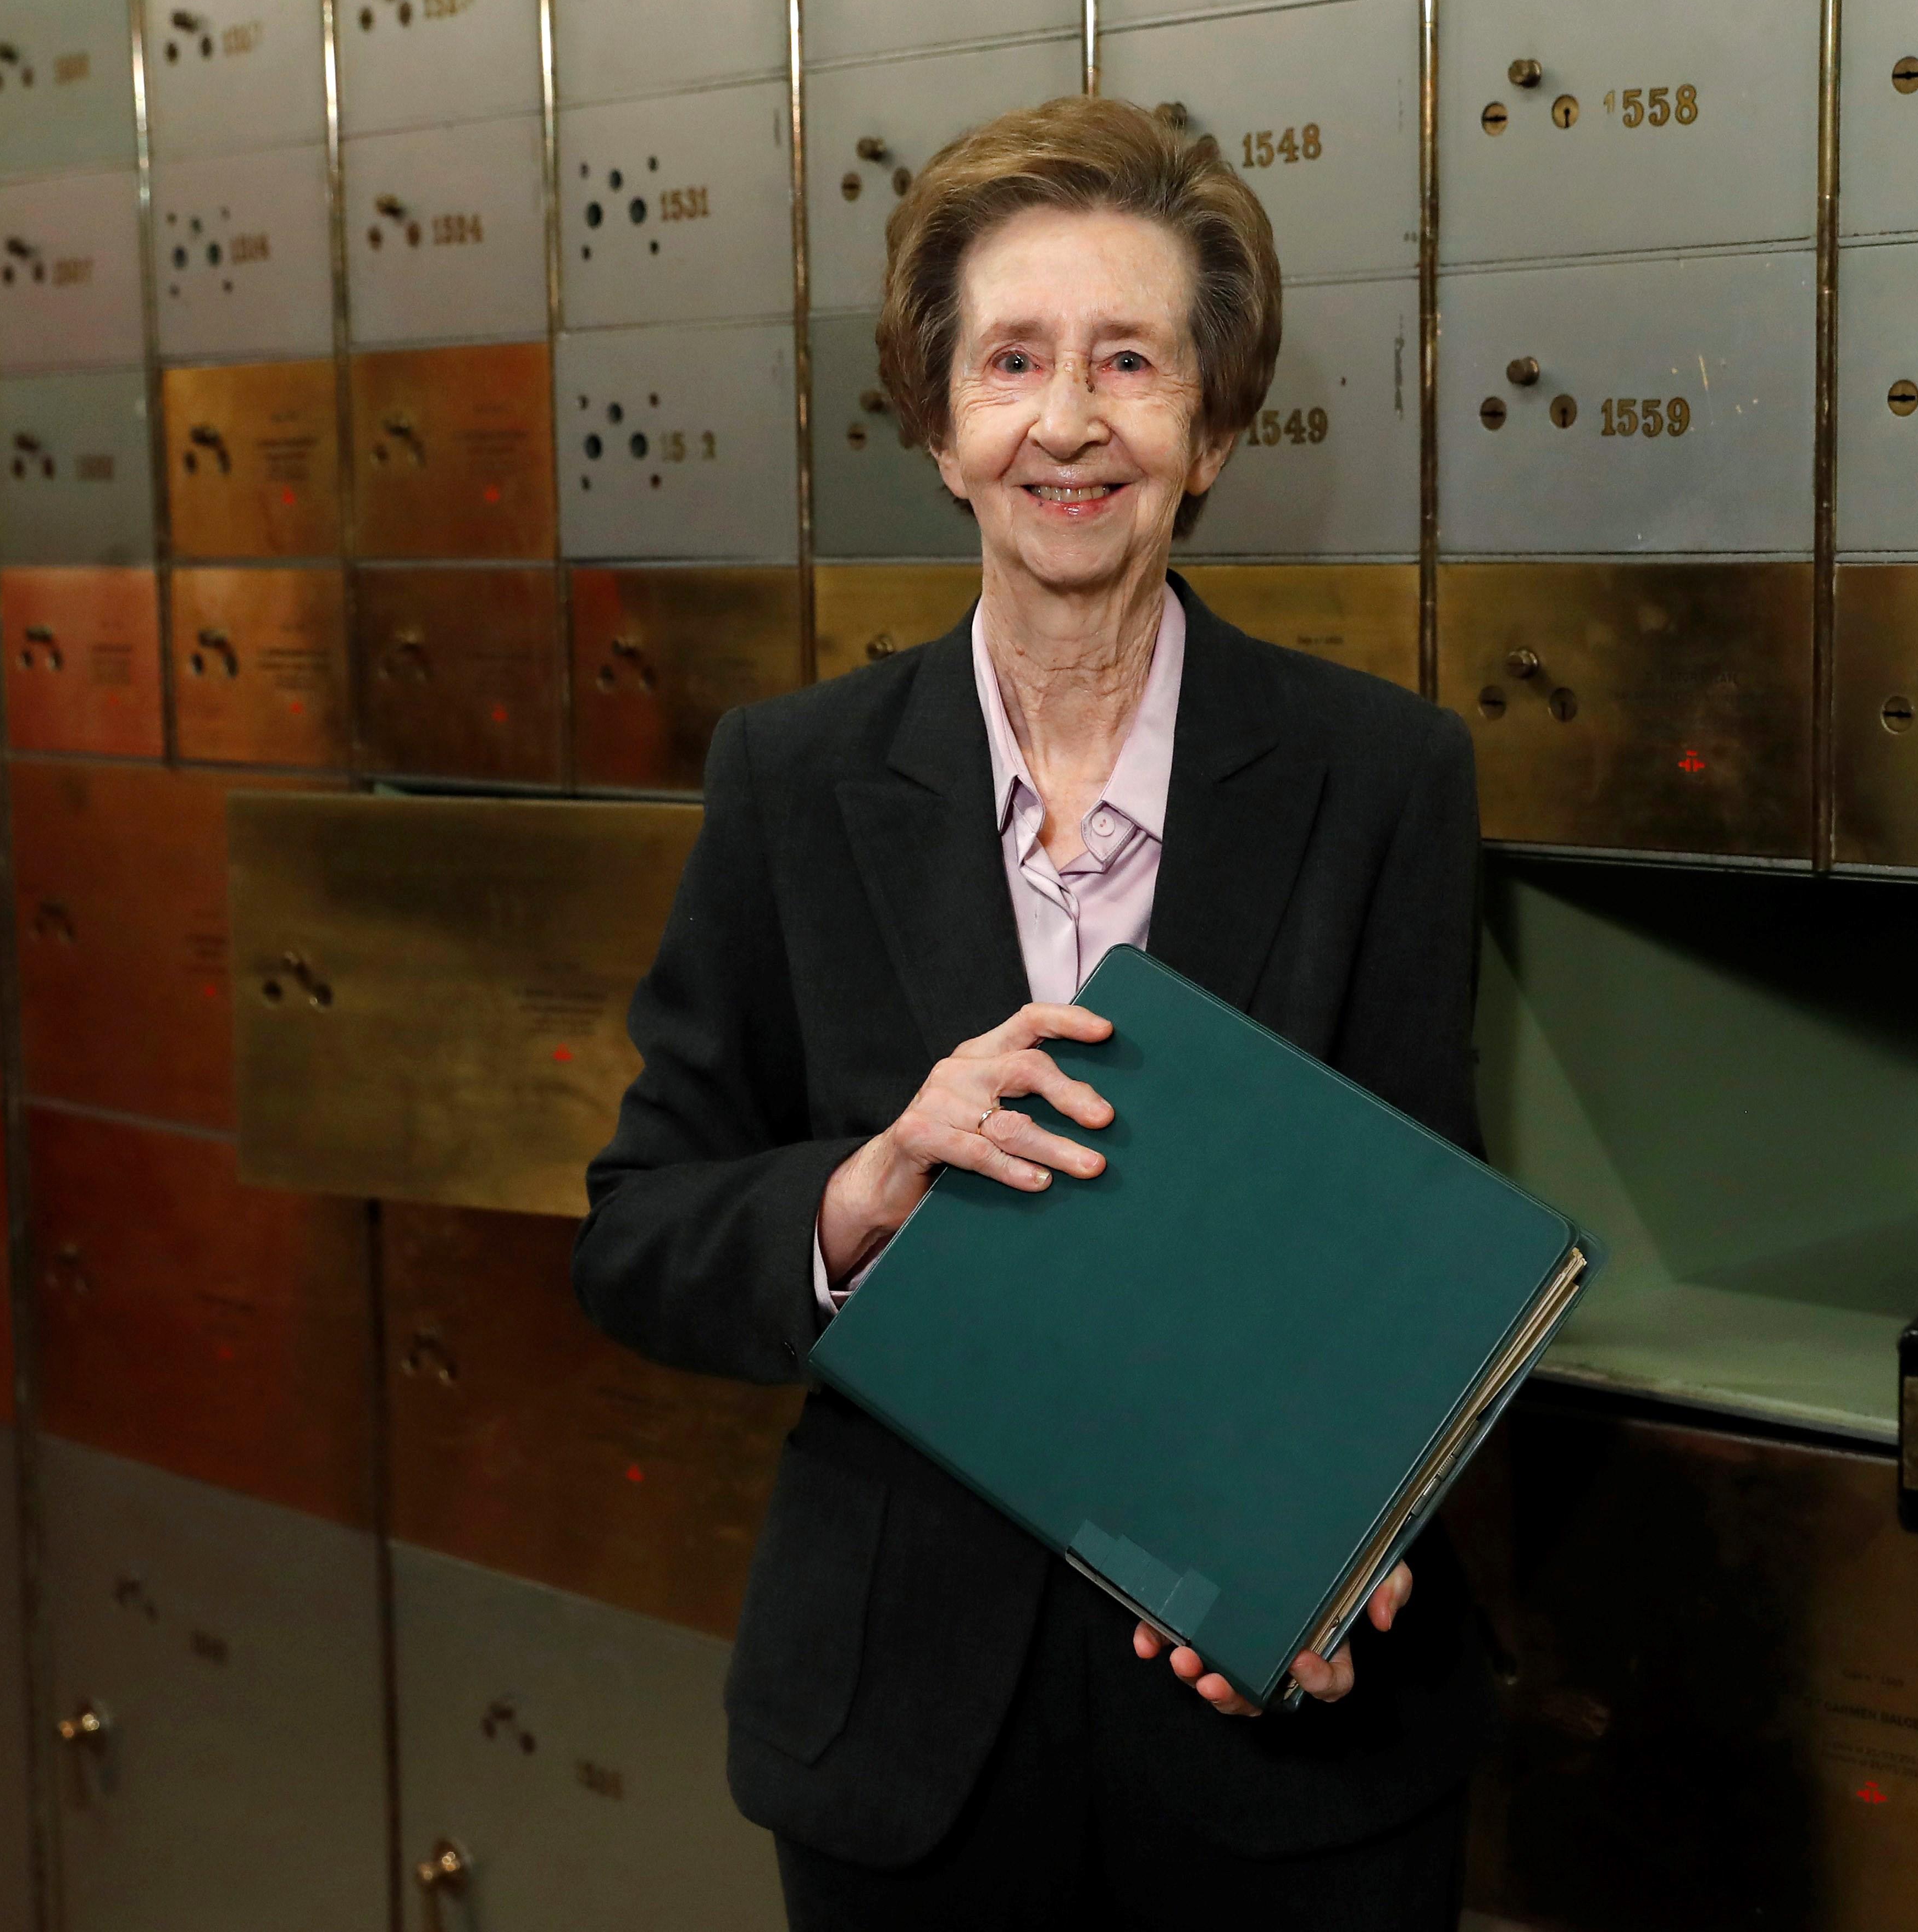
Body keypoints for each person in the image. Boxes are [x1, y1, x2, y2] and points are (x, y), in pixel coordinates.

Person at [574, 96, 1489, 1929]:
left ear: (1214, 427)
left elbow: (1426, 1276)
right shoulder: (791, 778)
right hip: (908, 1744)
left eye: (1131, 362)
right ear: (938, 425)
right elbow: (642, 1233)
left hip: (1277, 1745)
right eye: (1011, 362)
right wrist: (867, 1192)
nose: (1067, 421)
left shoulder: (1382, 776)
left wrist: (1341, 1566)